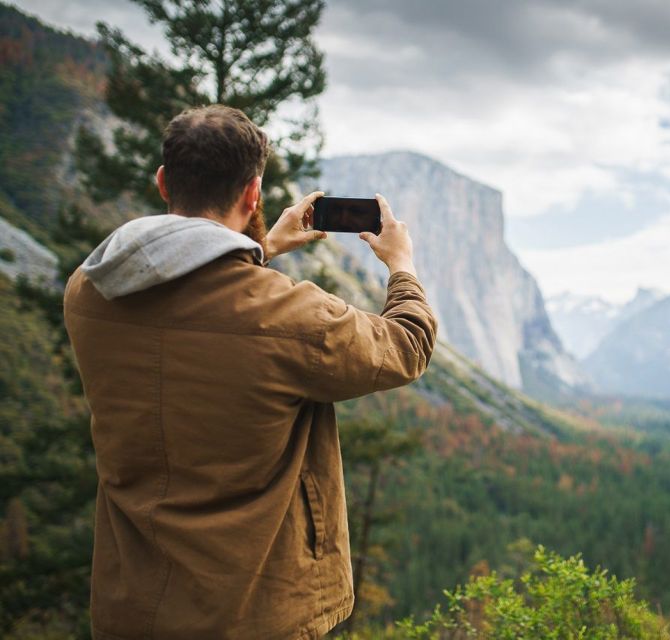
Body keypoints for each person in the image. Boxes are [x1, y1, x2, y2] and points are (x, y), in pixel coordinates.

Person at [63, 104, 438, 639]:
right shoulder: (289, 317)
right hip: (253, 612)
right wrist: (401, 266)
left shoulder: (87, 293)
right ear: (252, 195)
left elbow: (196, 312)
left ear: (164, 182)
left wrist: (265, 247)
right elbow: (406, 345)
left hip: (132, 605)